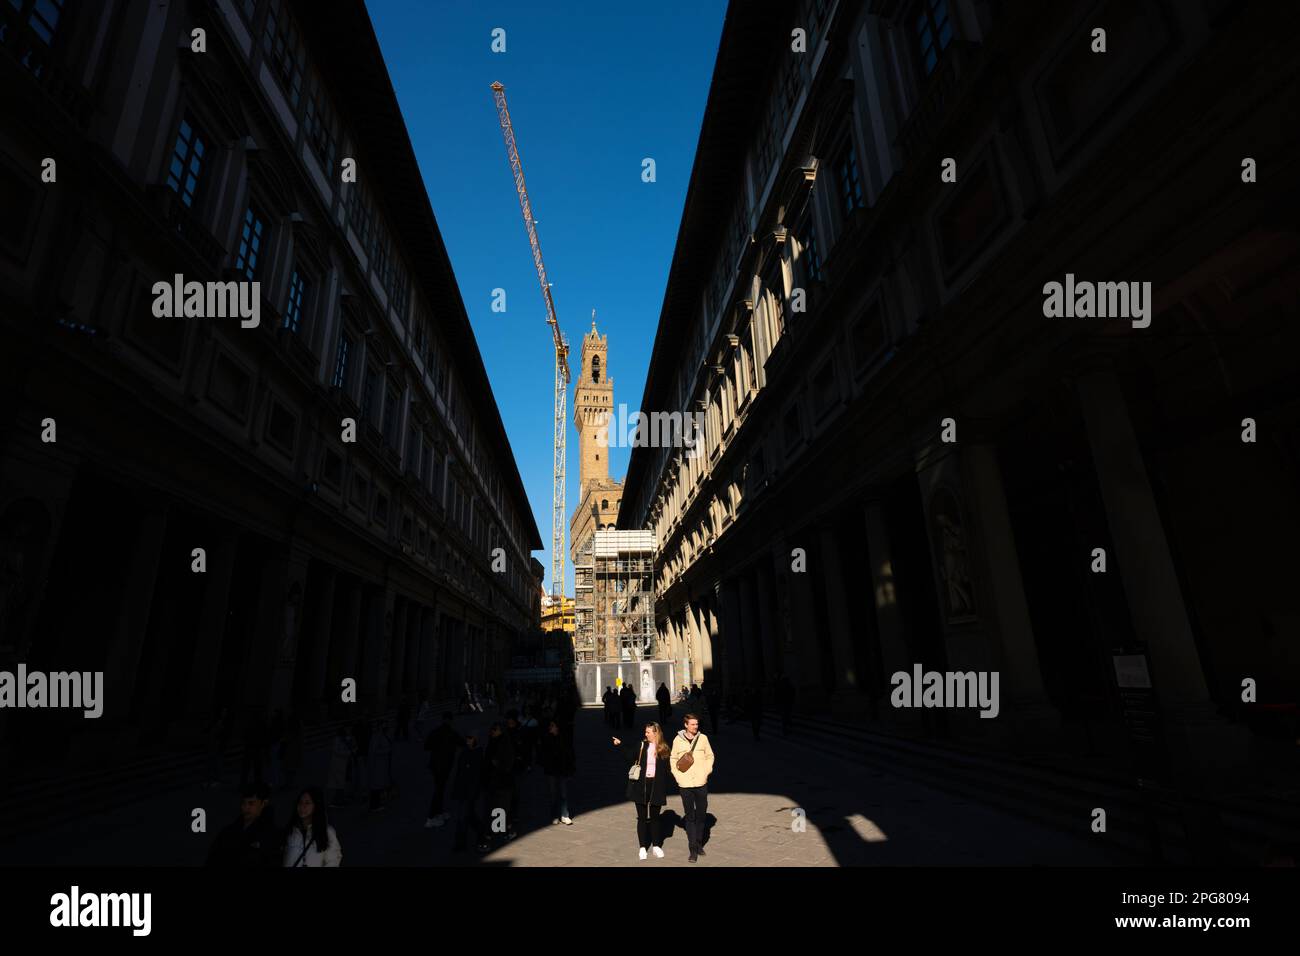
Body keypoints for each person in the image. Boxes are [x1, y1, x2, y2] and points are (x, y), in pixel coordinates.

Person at [611, 722, 672, 859]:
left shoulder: (664, 748)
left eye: (648, 732)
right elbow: (629, 756)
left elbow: (669, 768)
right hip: (641, 785)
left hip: (657, 786)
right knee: (642, 818)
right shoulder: (642, 745)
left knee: (655, 818)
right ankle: (642, 847)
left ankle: (656, 846)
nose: (646, 734)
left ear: (656, 733)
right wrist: (620, 745)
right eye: (645, 732)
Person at [670, 713, 715, 863]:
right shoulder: (678, 740)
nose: (695, 727)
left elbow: (710, 756)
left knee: (701, 815)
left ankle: (699, 842)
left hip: (701, 783)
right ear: (686, 725)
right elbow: (673, 759)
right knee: (690, 817)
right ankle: (693, 849)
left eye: (697, 724)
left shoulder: (703, 739)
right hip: (685, 784)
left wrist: (706, 771)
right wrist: (677, 776)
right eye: (693, 724)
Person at [205, 782, 280, 866]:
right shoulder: (230, 830)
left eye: (251, 803)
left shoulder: (270, 835)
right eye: (243, 803)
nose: (245, 807)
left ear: (264, 803)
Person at [283, 787, 342, 867]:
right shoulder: (291, 831)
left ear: (316, 806)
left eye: (307, 803)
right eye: (300, 802)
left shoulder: (327, 832)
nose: (302, 806)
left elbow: (333, 861)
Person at [451, 733, 489, 853]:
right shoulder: (465, 752)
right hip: (464, 790)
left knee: (462, 817)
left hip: (469, 791)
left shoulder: (477, 755)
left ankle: (460, 844)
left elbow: (477, 776)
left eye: (470, 738)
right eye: (467, 738)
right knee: (469, 815)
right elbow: (459, 772)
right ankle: (481, 832)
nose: (467, 740)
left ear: (476, 740)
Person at [424, 712, 462, 827]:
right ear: (450, 720)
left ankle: (439, 812)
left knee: (439, 789)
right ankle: (430, 818)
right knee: (439, 790)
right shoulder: (452, 733)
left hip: (435, 765)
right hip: (445, 765)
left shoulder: (435, 732)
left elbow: (426, 746)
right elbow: (463, 743)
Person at [483, 722, 517, 842]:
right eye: (492, 729)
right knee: (495, 807)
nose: (492, 731)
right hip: (493, 781)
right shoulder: (492, 742)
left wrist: (497, 764)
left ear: (501, 731)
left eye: (495, 729)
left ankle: (504, 830)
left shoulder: (505, 745)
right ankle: (498, 830)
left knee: (501, 807)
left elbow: (508, 764)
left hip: (503, 782)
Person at [537, 718, 575, 825]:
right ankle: (554, 815)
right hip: (551, 770)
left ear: (557, 727)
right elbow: (542, 754)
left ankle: (564, 815)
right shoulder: (546, 738)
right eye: (550, 725)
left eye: (552, 725)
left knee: (563, 793)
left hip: (562, 769)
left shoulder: (564, 739)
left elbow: (570, 755)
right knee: (553, 794)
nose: (550, 727)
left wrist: (571, 768)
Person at [327, 725, 355, 808]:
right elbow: (337, 751)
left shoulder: (345, 739)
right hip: (338, 765)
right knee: (339, 784)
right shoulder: (337, 740)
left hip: (343, 764)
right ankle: (337, 801)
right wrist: (348, 753)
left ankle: (339, 799)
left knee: (341, 783)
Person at [369, 720, 393, 811]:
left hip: (382, 764)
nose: (385, 728)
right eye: (383, 726)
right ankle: (374, 805)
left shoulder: (383, 736)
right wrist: (386, 750)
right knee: (376, 784)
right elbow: (374, 751)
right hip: (377, 765)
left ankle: (377, 802)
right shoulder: (376, 737)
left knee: (379, 783)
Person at [282, 713, 304, 790]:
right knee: (291, 767)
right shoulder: (296, 730)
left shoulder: (291, 730)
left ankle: (289, 783)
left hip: (291, 749)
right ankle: (290, 783)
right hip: (293, 749)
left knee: (289, 767)